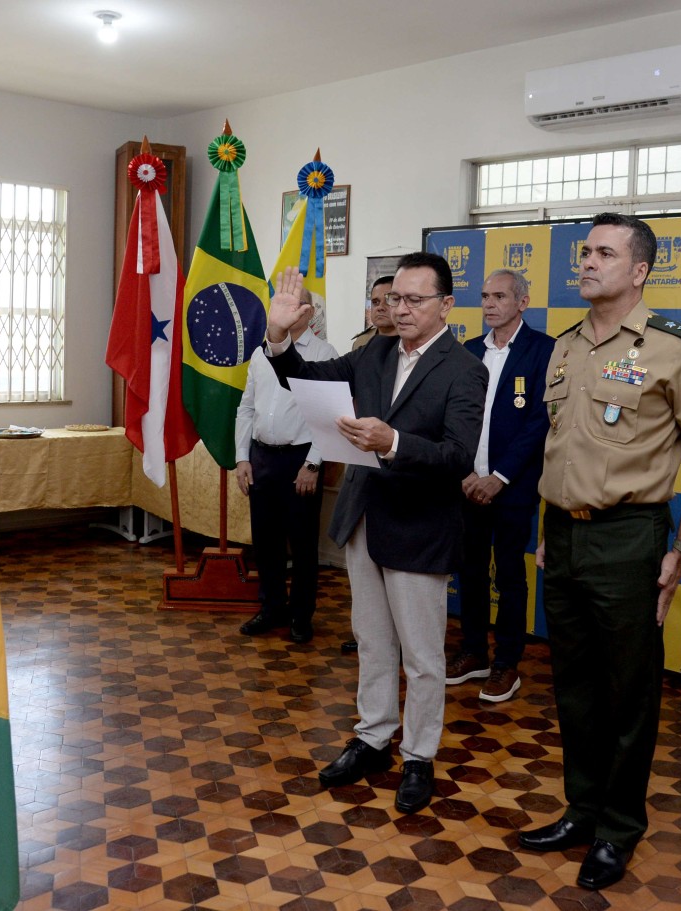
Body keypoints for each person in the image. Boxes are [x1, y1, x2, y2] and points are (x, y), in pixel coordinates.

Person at [519, 213, 681, 890]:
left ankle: (617, 828)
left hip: (630, 536)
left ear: (639, 271)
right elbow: (562, 444)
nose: (586, 261)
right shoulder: (567, 346)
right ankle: (581, 809)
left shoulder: (672, 348)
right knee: (574, 685)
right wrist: (552, 526)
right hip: (567, 536)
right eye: (585, 251)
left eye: (604, 253)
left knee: (628, 691)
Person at [263, 252, 486, 814]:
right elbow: (311, 382)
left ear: (446, 305)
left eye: (414, 300)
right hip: (365, 516)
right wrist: (279, 338)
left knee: (422, 656)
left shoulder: (465, 369)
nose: (400, 309)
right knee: (372, 642)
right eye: (392, 299)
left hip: (419, 525)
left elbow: (458, 455)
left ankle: (419, 755)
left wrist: (392, 442)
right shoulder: (374, 352)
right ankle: (372, 737)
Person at [447, 269, 555, 702]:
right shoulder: (468, 350)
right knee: (469, 570)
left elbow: (540, 423)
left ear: (522, 302)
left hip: (512, 487)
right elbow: (452, 417)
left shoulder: (543, 350)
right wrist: (466, 474)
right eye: (485, 296)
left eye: (499, 296)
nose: (489, 304)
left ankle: (507, 663)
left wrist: (499, 477)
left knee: (510, 574)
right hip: (467, 485)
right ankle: (474, 652)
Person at [235, 287, 338, 643]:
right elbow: (246, 408)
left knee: (303, 544)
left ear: (308, 312)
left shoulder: (325, 354)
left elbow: (329, 417)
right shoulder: (261, 353)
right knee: (266, 542)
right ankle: (271, 607)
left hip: (301, 460)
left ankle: (301, 616)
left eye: (294, 305)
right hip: (262, 457)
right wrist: (242, 458)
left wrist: (312, 464)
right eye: (280, 304)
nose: (286, 311)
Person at [340, 273, 396, 655]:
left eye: (387, 300)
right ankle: (371, 637)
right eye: (373, 301)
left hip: (401, 472)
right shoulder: (363, 347)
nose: (378, 307)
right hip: (360, 463)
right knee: (365, 583)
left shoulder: (427, 354)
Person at [349, 275, 396, 351]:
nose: (380, 307)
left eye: (388, 301)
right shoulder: (362, 341)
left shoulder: (413, 342)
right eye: (375, 302)